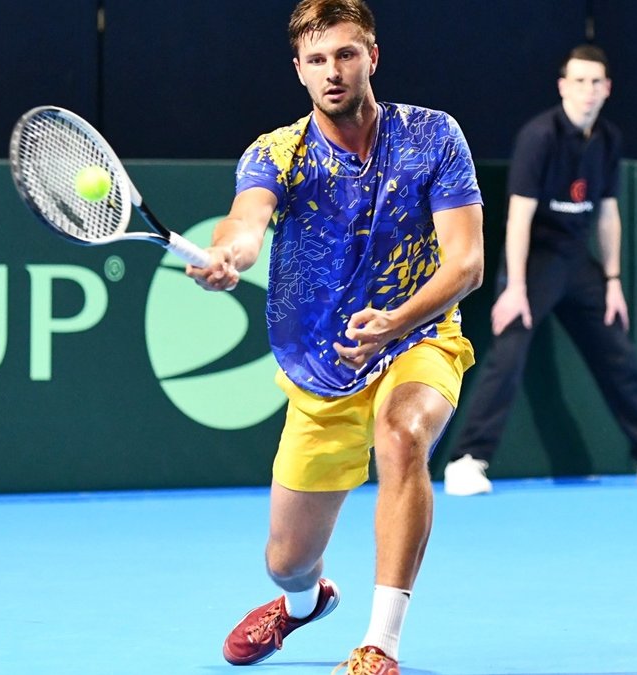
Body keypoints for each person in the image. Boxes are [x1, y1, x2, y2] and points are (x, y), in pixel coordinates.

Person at [184, 1, 484, 671]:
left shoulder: (433, 136)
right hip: (321, 368)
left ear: (371, 57)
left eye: (346, 54)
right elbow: (246, 220)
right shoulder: (276, 153)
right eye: (316, 59)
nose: (333, 71)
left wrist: (397, 322)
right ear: (299, 70)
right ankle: (303, 603)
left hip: (417, 337)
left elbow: (467, 264)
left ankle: (380, 644)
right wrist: (230, 252)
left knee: (402, 434)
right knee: (285, 561)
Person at [442, 45, 637, 497]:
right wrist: (514, 285)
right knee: (509, 352)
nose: (588, 90)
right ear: (563, 86)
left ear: (608, 88)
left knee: (617, 351)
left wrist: (613, 281)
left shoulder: (608, 139)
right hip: (535, 260)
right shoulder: (539, 136)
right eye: (579, 81)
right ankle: (467, 461)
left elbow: (607, 214)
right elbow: (519, 216)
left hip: (579, 260)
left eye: (596, 82)